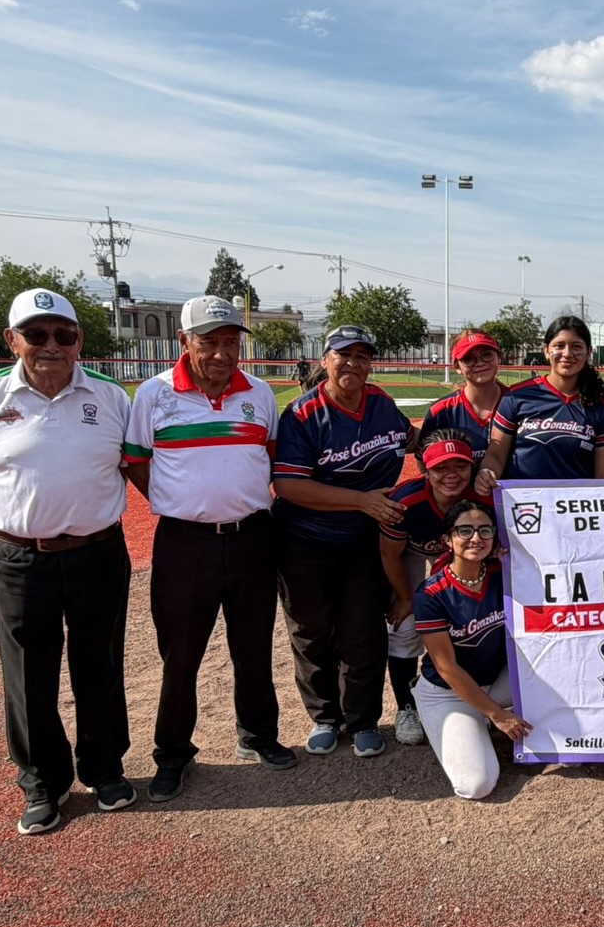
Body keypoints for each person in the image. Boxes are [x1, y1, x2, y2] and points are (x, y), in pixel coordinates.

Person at [0, 289, 134, 834]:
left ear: (78, 341)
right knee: (27, 674)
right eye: (36, 334)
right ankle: (43, 783)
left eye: (63, 335)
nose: (51, 345)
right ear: (12, 340)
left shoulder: (111, 396)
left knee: (101, 664)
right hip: (19, 559)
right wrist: (4, 531)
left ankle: (105, 769)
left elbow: (129, 464)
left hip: (98, 552)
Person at [125, 294, 293, 804]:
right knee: (180, 655)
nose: (222, 353)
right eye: (209, 342)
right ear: (184, 341)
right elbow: (137, 462)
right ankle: (173, 753)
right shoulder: (154, 394)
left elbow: (270, 459)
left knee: (253, 647)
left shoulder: (259, 393)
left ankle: (257, 735)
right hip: (185, 543)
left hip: (252, 538)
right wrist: (180, 502)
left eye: (230, 342)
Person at [273, 324, 410, 758]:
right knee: (311, 631)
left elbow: (413, 439)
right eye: (343, 354)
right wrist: (362, 501)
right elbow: (288, 486)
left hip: (363, 540)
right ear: (325, 359)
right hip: (305, 539)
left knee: (363, 629)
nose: (352, 363)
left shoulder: (381, 403)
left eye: (362, 356)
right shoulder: (302, 413)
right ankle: (325, 717)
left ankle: (363, 719)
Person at [380, 429, 492, 745]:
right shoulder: (406, 501)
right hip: (411, 551)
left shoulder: (483, 499)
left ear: (472, 466)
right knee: (404, 626)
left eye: (460, 465)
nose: (451, 475)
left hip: (458, 553)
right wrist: (407, 599)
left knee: (473, 618)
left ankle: (473, 695)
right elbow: (390, 555)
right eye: (440, 468)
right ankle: (406, 706)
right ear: (425, 470)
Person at [413, 501, 531, 799]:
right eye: (464, 530)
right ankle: (467, 720)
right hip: (448, 692)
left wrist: (516, 561)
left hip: (497, 682)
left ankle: (481, 719)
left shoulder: (501, 573)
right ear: (448, 540)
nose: (476, 538)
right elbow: (447, 668)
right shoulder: (431, 594)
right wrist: (497, 714)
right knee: (476, 785)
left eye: (485, 530)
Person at [475, 316, 604, 493]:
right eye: (559, 346)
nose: (567, 354)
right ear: (546, 350)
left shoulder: (600, 406)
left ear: (588, 352)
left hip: (575, 506)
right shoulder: (517, 396)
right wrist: (486, 472)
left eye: (576, 347)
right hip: (524, 505)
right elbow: (495, 455)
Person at [416, 330, 505, 465]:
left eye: (487, 354)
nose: (480, 363)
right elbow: (424, 462)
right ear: (457, 367)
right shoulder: (441, 411)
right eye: (468, 358)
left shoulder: (520, 403)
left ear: (498, 358)